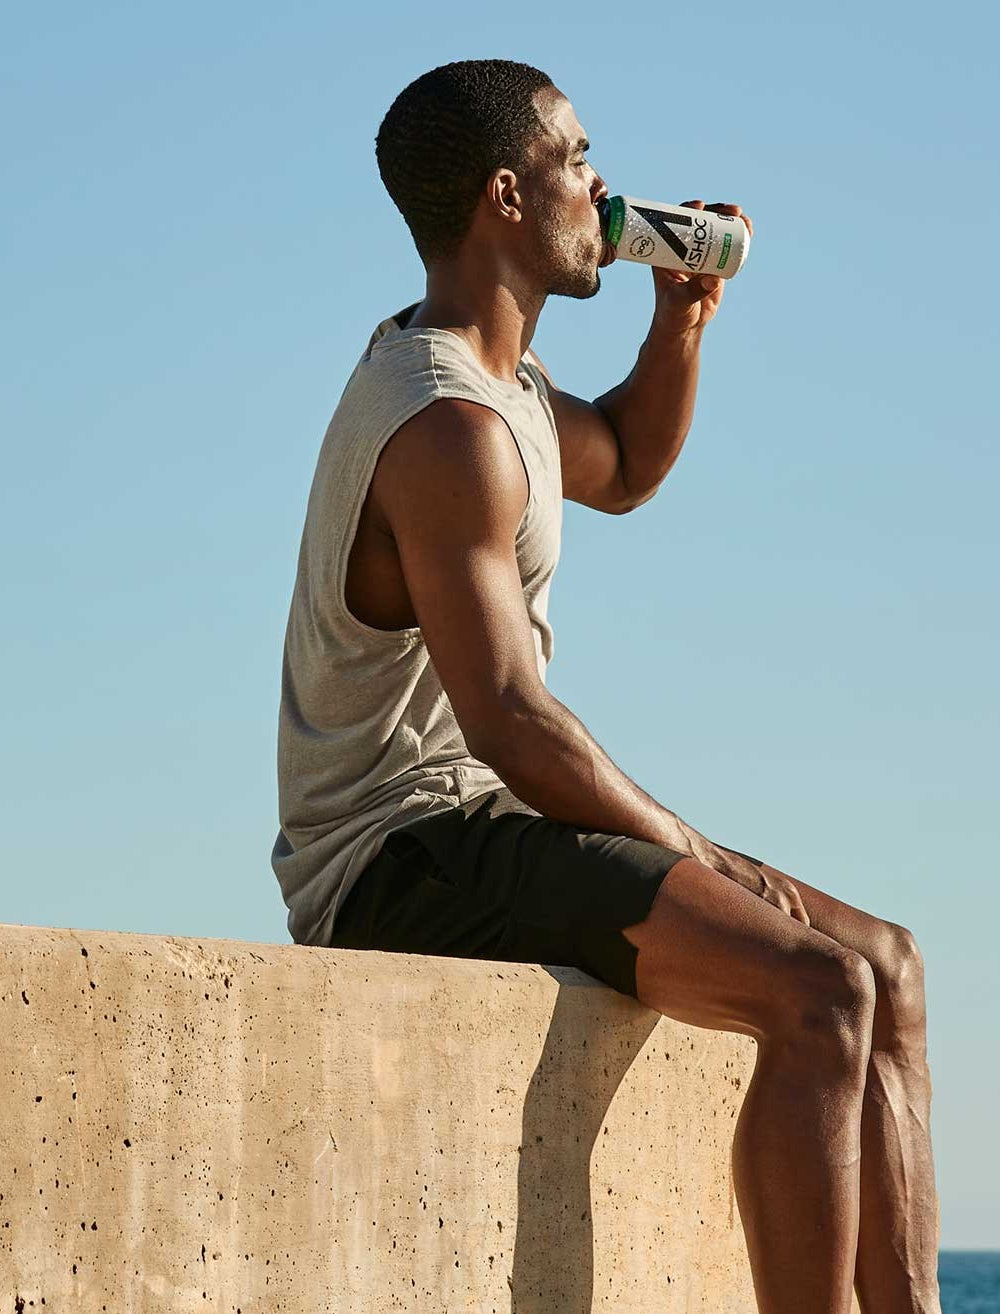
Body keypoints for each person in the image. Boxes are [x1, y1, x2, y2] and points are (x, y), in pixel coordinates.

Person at [271, 58, 941, 1314]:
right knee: (815, 989)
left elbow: (626, 460)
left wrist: (679, 320)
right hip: (402, 854)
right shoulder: (442, 427)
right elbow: (512, 724)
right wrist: (690, 846)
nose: (603, 186)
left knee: (887, 967)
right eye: (578, 160)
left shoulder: (507, 388)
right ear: (508, 198)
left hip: (495, 826)